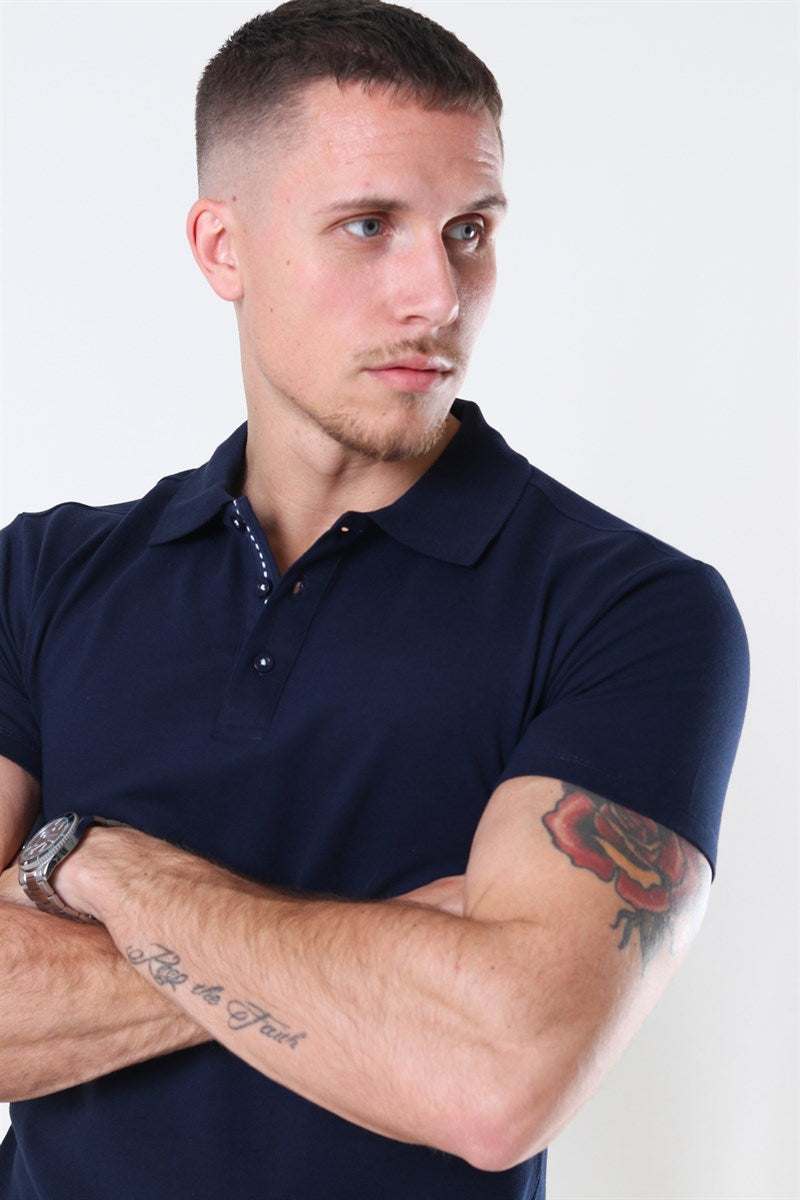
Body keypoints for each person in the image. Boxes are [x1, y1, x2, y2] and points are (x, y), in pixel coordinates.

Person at [0, 2, 749, 1197]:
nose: (435, 296)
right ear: (222, 248)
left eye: (468, 231)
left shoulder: (631, 610)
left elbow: (494, 1078)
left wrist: (94, 868)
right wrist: (396, 972)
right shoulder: (42, 574)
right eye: (368, 225)